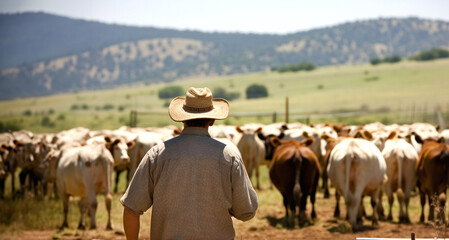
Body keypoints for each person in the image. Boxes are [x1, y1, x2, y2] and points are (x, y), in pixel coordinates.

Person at [120, 87, 258, 239]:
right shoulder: (230, 156)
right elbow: (246, 212)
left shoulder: (158, 155)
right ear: (212, 121)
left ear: (182, 118)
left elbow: (131, 209)